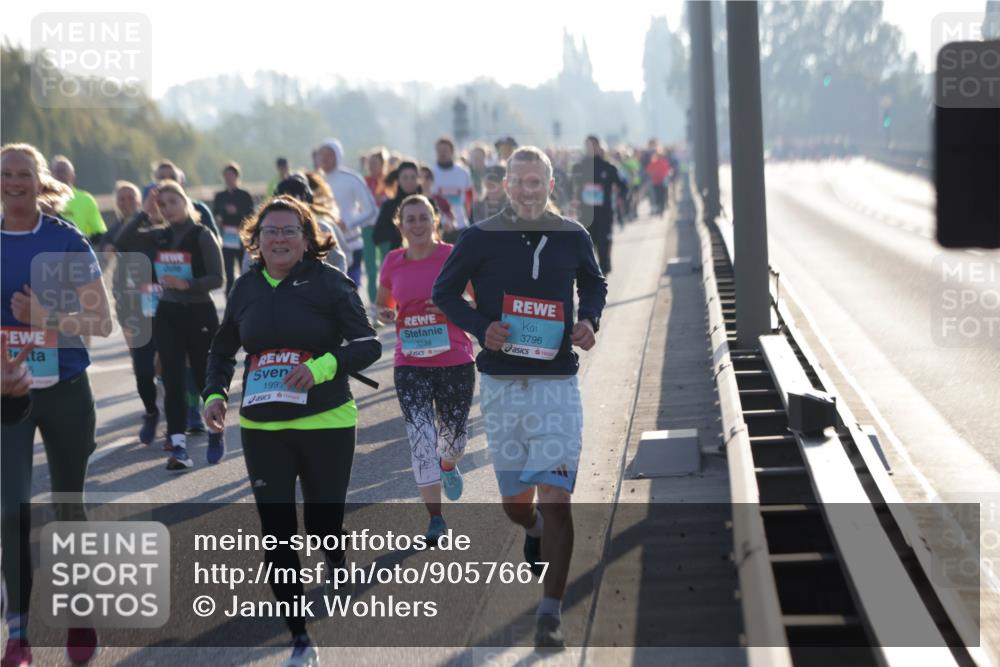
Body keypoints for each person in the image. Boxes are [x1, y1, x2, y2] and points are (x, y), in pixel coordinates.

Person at [433, 146, 607, 651]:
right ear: (506, 186)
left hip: (556, 385)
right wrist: (479, 325)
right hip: (503, 386)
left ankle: (550, 612)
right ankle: (528, 529)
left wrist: (590, 319)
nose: (529, 190)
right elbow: (445, 293)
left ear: (551, 186)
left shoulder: (573, 235)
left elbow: (593, 284)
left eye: (538, 182)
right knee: (516, 507)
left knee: (557, 499)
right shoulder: (479, 237)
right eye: (520, 181)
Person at [202, 196, 380, 667]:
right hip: (263, 427)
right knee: (277, 533)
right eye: (270, 232)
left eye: (289, 231)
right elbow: (222, 349)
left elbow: (368, 345)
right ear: (256, 241)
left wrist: (322, 367)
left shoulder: (331, 284)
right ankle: (300, 636)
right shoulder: (245, 289)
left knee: (322, 524)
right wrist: (214, 394)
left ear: (306, 239)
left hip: (327, 422)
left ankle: (335, 552)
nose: (279, 239)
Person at [2, 143, 115, 666]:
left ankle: (79, 615)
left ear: (40, 180)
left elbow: (101, 323)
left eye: (23, 173)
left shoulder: (66, 240)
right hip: (7, 392)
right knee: (11, 513)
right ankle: (18, 634)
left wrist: (47, 315)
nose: (13, 182)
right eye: (5, 174)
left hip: (66, 390)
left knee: (69, 507)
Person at [375, 194, 475, 542]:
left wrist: (451, 309)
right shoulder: (392, 261)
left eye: (423, 218)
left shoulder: (453, 256)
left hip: (455, 359)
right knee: (420, 436)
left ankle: (448, 464)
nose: (417, 225)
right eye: (410, 219)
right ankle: (435, 519)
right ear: (400, 226)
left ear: (436, 220)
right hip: (410, 362)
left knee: (453, 441)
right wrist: (384, 315)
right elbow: (382, 306)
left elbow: (477, 301)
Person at [120, 179, 225, 470]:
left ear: (185, 202)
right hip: (166, 314)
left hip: (199, 313)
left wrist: (186, 283)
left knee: (206, 378)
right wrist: (143, 211)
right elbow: (123, 242)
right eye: (162, 204)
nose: (167, 209)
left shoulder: (201, 234)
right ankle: (178, 446)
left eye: (173, 202)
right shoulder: (159, 236)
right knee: (173, 380)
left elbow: (218, 278)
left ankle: (215, 431)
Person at [109, 188, 167, 446]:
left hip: (171, 310)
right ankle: (152, 412)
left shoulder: (172, 233)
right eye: (153, 205)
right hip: (136, 310)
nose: (157, 209)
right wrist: (143, 211)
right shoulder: (135, 234)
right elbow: (119, 242)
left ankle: (180, 424)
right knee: (143, 371)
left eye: (162, 205)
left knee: (175, 369)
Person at [316, 138, 377, 289]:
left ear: (338, 155)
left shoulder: (352, 179)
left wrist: (348, 223)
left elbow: (371, 210)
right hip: (324, 248)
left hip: (351, 245)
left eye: (329, 154)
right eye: (321, 154)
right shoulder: (315, 182)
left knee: (350, 291)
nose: (324, 158)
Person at [571, 135, 627, 276]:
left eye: (594, 146)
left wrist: (621, 197)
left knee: (603, 248)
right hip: (585, 216)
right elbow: (570, 186)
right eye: (588, 146)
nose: (591, 149)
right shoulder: (579, 167)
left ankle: (604, 274)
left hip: (604, 215)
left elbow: (623, 185)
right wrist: (572, 201)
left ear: (599, 147)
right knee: (586, 249)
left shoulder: (609, 167)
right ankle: (590, 280)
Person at [274, 174, 348, 274]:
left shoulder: (322, 228)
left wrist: (334, 284)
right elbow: (248, 269)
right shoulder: (266, 232)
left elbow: (339, 260)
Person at [213, 162, 256, 296]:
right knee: (228, 270)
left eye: (231, 175)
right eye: (226, 175)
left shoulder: (244, 195)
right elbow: (215, 213)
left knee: (245, 268)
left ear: (237, 176)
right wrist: (219, 217)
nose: (228, 178)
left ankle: (246, 295)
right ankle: (230, 298)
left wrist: (237, 212)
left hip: (242, 235)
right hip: (227, 236)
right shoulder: (220, 196)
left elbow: (251, 215)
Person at [50, 155, 108, 245]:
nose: (61, 175)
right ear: (51, 176)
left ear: (73, 177)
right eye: (58, 172)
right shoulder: (43, 200)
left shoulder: (86, 199)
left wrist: (83, 245)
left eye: (64, 172)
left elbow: (100, 232)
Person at [430, 137, 474, 242]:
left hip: (461, 225)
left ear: (452, 152)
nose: (442, 153)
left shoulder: (463, 172)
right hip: (438, 226)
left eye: (445, 150)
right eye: (439, 151)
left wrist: (468, 216)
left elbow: (469, 196)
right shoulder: (430, 174)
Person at [372, 161, 421, 252]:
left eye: (413, 177)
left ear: (419, 179)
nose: (409, 181)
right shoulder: (389, 206)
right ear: (398, 180)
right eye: (405, 177)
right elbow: (377, 236)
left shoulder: (428, 204)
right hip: (399, 256)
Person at [362, 148, 389, 303]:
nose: (371, 166)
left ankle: (389, 302)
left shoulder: (389, 182)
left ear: (382, 164)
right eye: (369, 163)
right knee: (371, 267)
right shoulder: (364, 182)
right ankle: (373, 304)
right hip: (368, 228)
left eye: (375, 163)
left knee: (387, 267)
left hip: (385, 228)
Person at [645, 149, 671, 217]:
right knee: (658, 197)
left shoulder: (664, 163)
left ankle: (661, 210)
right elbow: (648, 171)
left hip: (661, 183)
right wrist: (652, 174)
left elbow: (667, 172)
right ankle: (660, 209)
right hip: (656, 183)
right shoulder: (653, 163)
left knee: (661, 197)